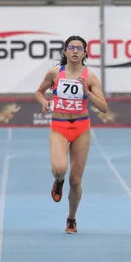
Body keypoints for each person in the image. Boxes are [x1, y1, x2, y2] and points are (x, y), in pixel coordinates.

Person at [35, 35, 108, 234]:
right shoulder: (54, 73)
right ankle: (58, 181)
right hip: (59, 126)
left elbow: (104, 107)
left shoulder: (90, 77)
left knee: (75, 180)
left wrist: (88, 92)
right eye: (71, 47)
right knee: (59, 169)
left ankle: (71, 218)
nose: (75, 51)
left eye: (79, 48)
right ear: (65, 51)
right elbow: (39, 91)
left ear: (85, 53)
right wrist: (43, 101)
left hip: (81, 128)